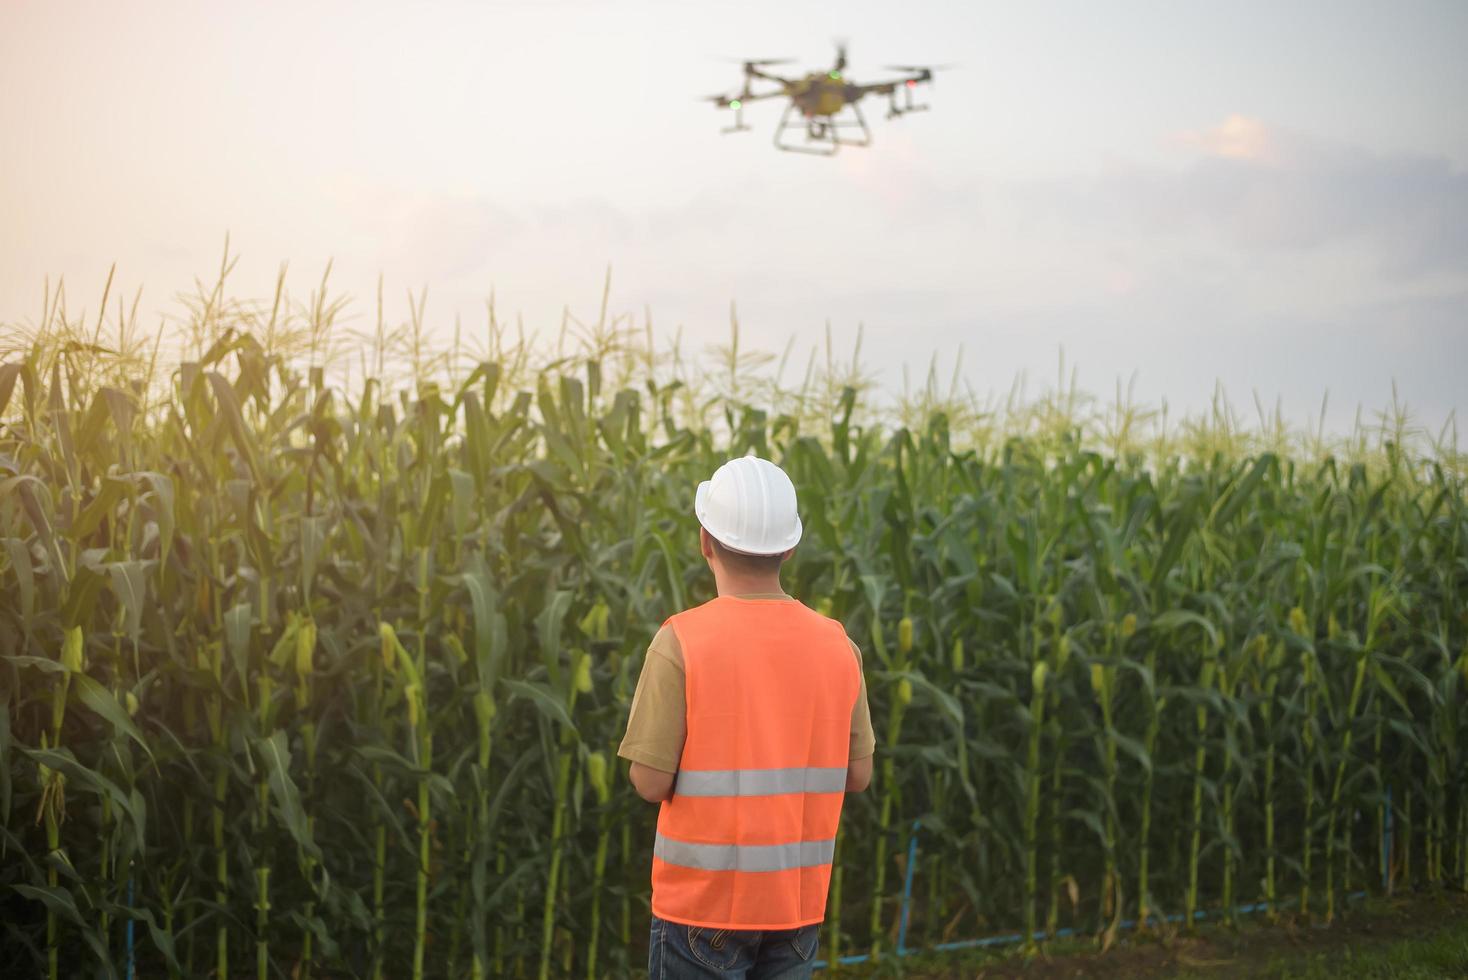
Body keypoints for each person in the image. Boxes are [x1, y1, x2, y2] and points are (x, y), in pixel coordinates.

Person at [618, 454, 876, 979]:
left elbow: (648, 782)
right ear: (790, 547)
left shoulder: (681, 641)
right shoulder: (838, 645)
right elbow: (859, 774)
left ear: (704, 541)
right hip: (796, 909)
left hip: (700, 911)